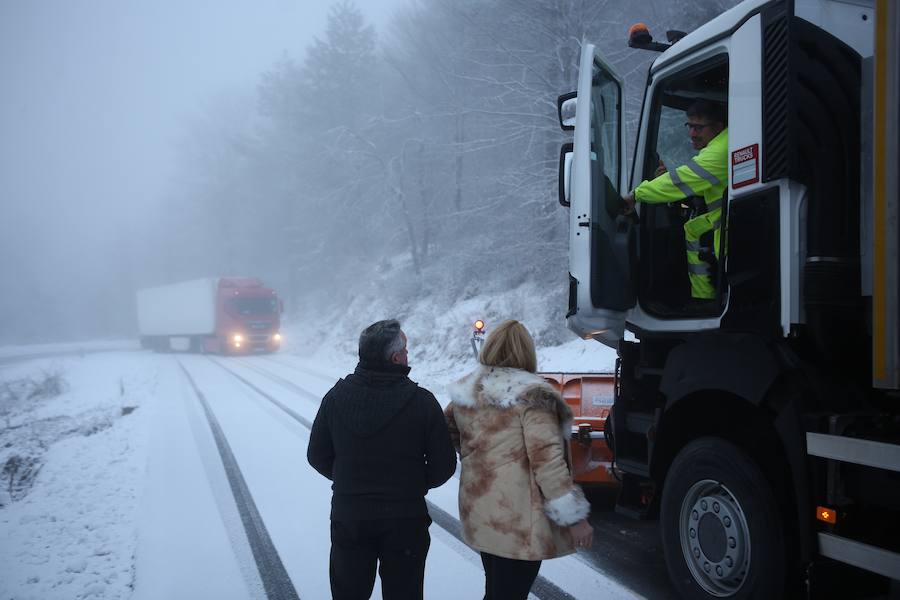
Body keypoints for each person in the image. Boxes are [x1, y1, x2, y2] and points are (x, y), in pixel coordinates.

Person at [444, 320, 594, 600]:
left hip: (482, 513)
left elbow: (450, 431)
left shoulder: (467, 392)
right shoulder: (532, 397)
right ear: (526, 352)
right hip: (518, 520)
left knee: (497, 591)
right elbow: (547, 461)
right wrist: (574, 518)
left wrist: (477, 459)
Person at [307, 319, 456, 600]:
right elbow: (444, 466)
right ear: (396, 357)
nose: (408, 355)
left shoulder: (336, 397)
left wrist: (348, 479)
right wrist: (412, 483)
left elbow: (316, 455)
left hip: (350, 516)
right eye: (407, 350)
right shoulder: (422, 402)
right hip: (405, 519)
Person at [623, 99, 728, 300]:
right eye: (690, 126)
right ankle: (703, 300)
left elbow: (681, 181)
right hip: (725, 231)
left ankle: (704, 302)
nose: (692, 134)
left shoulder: (720, 151)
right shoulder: (724, 144)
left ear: (718, 126)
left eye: (699, 128)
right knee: (693, 229)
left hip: (731, 238)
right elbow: (696, 184)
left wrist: (636, 194)